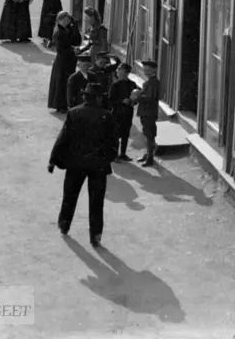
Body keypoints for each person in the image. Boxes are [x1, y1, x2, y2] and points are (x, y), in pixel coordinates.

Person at [48, 83, 118, 248]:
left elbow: (63, 138)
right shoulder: (107, 116)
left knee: (70, 195)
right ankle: (95, 235)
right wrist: (106, 158)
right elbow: (113, 143)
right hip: (98, 166)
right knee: (96, 201)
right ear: (100, 98)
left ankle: (64, 225)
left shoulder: (74, 113)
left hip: (75, 163)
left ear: (85, 96)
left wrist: (53, 159)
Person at [48, 11, 82, 113]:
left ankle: (63, 104)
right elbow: (61, 49)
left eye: (68, 19)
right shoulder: (59, 32)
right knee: (62, 82)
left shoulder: (66, 29)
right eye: (65, 19)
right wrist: (73, 50)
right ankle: (60, 105)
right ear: (59, 20)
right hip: (63, 61)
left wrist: (74, 27)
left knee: (65, 82)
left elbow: (76, 40)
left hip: (68, 60)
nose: (67, 21)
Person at [131, 58, 160, 167]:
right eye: (144, 70)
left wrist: (138, 96)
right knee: (147, 133)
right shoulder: (150, 81)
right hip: (146, 112)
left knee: (149, 135)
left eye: (148, 70)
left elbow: (150, 97)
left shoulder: (154, 83)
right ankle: (147, 153)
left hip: (149, 112)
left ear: (155, 70)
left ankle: (149, 158)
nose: (146, 72)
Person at [109, 63, 135, 161]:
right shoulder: (115, 85)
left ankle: (123, 153)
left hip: (128, 112)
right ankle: (114, 155)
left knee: (126, 134)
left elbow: (135, 97)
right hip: (117, 113)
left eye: (120, 69)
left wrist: (133, 101)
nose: (117, 71)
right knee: (115, 135)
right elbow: (110, 99)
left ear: (126, 72)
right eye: (118, 69)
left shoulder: (132, 84)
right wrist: (121, 101)